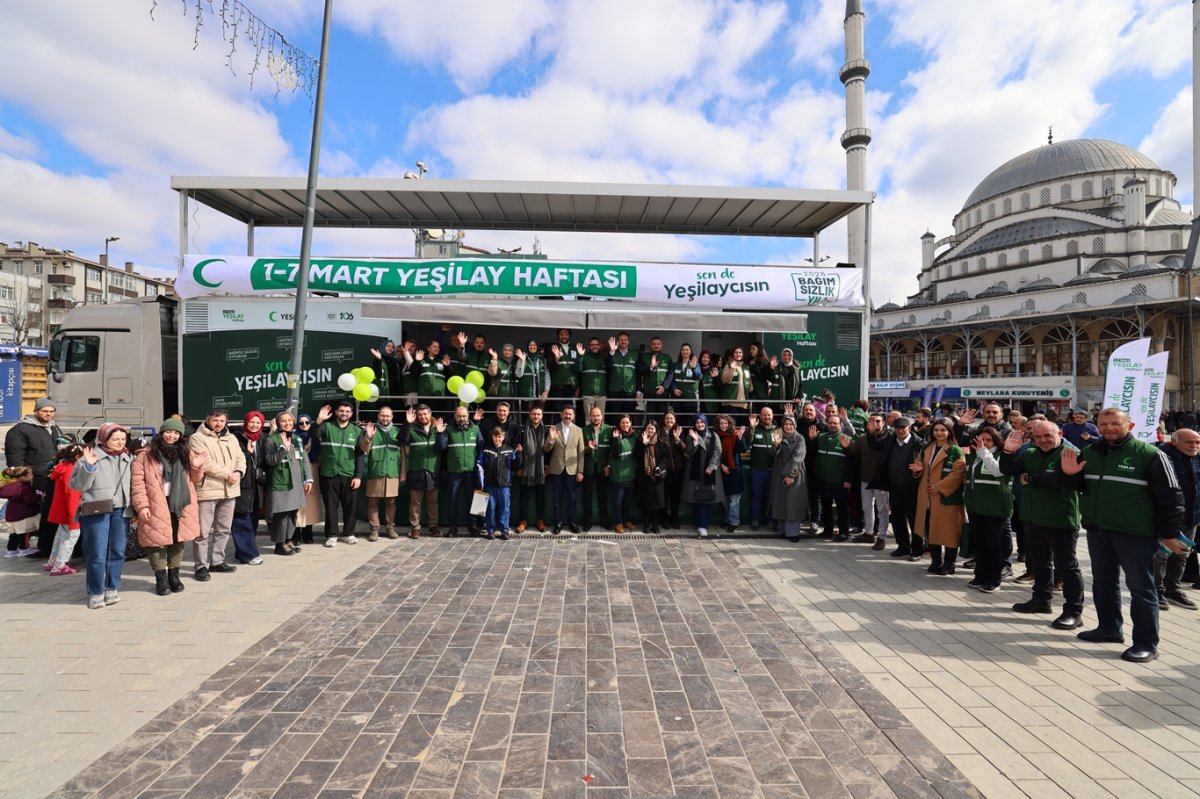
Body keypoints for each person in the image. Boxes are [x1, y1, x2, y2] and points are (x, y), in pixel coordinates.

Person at [1061, 408, 1186, 663]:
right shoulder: (1090, 452)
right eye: (1104, 423)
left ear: (1129, 426)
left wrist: (1169, 533)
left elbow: (1172, 498)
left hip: (1135, 534)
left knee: (1141, 588)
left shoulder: (1150, 454)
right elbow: (1082, 487)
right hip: (1098, 530)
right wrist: (1070, 476)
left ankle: (1146, 642)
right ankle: (1109, 629)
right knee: (1103, 582)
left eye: (1115, 423)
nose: (1109, 428)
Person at [999, 421, 1085, 627]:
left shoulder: (1071, 452)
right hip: (1033, 517)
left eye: (1047, 436)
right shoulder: (1030, 453)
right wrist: (1008, 452)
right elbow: (1008, 469)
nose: (1043, 441)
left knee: (1067, 567)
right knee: (1040, 561)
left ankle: (1074, 610)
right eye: (1038, 437)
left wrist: (1031, 478)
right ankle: (1041, 600)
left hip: (1061, 519)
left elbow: (1061, 480)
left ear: (1060, 433)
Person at [130, 419, 204, 596]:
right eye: (169, 432)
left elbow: (195, 480)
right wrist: (142, 506)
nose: (172, 436)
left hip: (181, 503)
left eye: (176, 433)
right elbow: (137, 483)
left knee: (178, 539)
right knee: (157, 542)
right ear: (162, 433)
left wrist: (197, 466)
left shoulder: (186, 452)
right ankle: (160, 578)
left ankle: (174, 575)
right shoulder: (146, 455)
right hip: (157, 502)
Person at [70, 424, 134, 609]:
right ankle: (96, 592)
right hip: (96, 508)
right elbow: (77, 486)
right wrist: (88, 467)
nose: (120, 442)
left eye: (123, 439)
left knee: (118, 551)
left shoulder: (128, 457)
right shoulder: (91, 457)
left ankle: (112, 588)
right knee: (96, 553)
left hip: (121, 509)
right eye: (115, 439)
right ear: (104, 439)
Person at [189, 409, 246, 581]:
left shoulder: (231, 438)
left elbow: (240, 457)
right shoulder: (197, 438)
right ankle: (200, 566)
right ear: (208, 420)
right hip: (208, 490)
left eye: (222, 420)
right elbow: (206, 464)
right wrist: (228, 475)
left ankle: (217, 561)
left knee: (223, 529)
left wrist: (238, 472)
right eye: (215, 420)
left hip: (230, 490)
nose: (219, 424)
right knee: (202, 532)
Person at [4, 397, 63, 559]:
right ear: (35, 411)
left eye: (51, 411)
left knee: (47, 513)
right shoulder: (20, 430)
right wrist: (21, 479)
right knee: (31, 513)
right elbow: (15, 456)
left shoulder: (54, 427)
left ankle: (44, 544)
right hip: (34, 477)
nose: (48, 414)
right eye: (44, 411)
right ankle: (22, 546)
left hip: (52, 476)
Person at [912, 418, 966, 574]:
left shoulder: (955, 450)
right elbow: (919, 465)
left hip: (945, 497)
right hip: (927, 496)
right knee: (930, 530)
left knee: (949, 532)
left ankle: (950, 563)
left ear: (949, 431)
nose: (939, 433)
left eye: (943, 430)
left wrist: (939, 487)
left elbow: (957, 474)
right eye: (936, 430)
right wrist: (918, 468)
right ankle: (936, 560)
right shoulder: (927, 446)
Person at [963, 426, 1012, 594]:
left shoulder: (1002, 455)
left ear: (996, 440)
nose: (984, 443)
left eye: (988, 440)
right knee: (980, 544)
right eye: (981, 440)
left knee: (993, 545)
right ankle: (980, 575)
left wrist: (984, 451)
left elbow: (998, 472)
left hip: (995, 508)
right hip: (976, 507)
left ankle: (993, 579)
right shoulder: (974, 456)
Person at [868, 416, 924, 560]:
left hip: (911, 487)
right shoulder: (891, 440)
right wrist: (871, 431)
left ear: (909, 428)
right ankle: (903, 547)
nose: (899, 431)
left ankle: (917, 550)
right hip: (894, 486)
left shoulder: (918, 443)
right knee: (898, 518)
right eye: (897, 428)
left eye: (902, 428)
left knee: (913, 519)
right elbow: (874, 444)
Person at [1157, 428, 1200, 610]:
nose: (1194, 446)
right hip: (1167, 516)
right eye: (1189, 442)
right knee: (1160, 554)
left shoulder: (1197, 458)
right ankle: (1156, 590)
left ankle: (1172, 589)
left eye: (1197, 442)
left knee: (1182, 553)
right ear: (1174, 442)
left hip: (1192, 516)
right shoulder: (1160, 457)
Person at [260, 411, 313, 556]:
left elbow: (304, 459)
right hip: (281, 483)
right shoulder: (272, 440)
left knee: (292, 512)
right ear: (278, 423)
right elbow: (271, 461)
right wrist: (283, 447)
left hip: (296, 482)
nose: (287, 423)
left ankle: (288, 540)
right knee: (281, 515)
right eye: (283, 421)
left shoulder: (297, 439)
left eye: (289, 420)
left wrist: (308, 479)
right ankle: (279, 544)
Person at [314, 401, 363, 547]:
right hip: (328, 474)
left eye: (347, 412)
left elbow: (360, 455)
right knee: (331, 506)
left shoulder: (357, 431)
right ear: (336, 412)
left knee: (350, 506)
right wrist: (319, 420)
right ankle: (332, 535)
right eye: (342, 411)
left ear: (351, 414)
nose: (344, 414)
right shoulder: (326, 427)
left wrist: (358, 476)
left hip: (349, 474)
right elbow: (313, 434)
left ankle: (349, 534)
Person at [359, 405, 403, 541]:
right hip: (376, 472)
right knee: (373, 502)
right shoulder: (371, 430)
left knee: (391, 502)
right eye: (383, 415)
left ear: (392, 417)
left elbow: (403, 455)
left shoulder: (397, 431)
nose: (385, 418)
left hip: (392, 472)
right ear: (378, 416)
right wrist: (368, 436)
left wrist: (402, 473)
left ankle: (390, 527)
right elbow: (364, 449)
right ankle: (374, 528)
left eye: (388, 416)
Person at [402, 404, 446, 539]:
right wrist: (408, 424)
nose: (423, 417)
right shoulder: (412, 429)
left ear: (430, 413)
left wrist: (439, 433)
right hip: (416, 471)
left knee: (433, 502)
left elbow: (442, 447)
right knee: (415, 502)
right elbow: (403, 439)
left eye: (425, 414)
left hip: (433, 471)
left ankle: (433, 526)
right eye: (420, 415)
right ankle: (415, 528)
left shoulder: (438, 428)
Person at [847, 413, 889, 550]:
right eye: (871, 420)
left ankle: (882, 537)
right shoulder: (863, 438)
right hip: (865, 478)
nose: (874, 423)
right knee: (867, 507)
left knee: (882, 510)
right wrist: (847, 446)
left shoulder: (888, 438)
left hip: (881, 480)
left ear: (883, 423)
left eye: (877, 421)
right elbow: (854, 453)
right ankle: (869, 533)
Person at [442, 405, 483, 537]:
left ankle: (473, 526)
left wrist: (480, 467)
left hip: (471, 472)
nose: (462, 418)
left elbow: (481, 448)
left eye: (464, 416)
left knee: (474, 499)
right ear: (455, 416)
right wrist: (440, 433)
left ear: (468, 416)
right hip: (454, 472)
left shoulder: (476, 429)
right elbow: (441, 447)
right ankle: (453, 528)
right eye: (459, 416)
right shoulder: (448, 429)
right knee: (452, 500)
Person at [230, 411, 265, 566]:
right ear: (246, 421)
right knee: (241, 518)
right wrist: (247, 453)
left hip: (257, 485)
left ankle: (241, 551)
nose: (255, 425)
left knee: (253, 519)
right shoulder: (236, 438)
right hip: (242, 484)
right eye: (252, 422)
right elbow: (233, 459)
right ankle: (249, 554)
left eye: (258, 423)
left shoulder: (262, 438)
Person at [681, 414, 724, 538]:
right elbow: (688, 453)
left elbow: (718, 451)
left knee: (707, 498)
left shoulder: (713, 435)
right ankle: (699, 524)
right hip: (695, 471)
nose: (700, 425)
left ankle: (703, 525)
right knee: (697, 498)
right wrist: (695, 442)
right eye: (697, 423)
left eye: (702, 422)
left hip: (709, 471)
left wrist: (711, 466)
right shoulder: (691, 435)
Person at [545, 405, 586, 534]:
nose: (568, 416)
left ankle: (572, 523)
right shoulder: (553, 428)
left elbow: (581, 452)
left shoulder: (579, 430)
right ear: (561, 415)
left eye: (570, 414)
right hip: (557, 469)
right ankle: (558, 523)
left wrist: (580, 471)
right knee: (557, 499)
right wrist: (551, 439)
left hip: (572, 470)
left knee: (572, 499)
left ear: (573, 416)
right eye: (566, 414)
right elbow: (546, 449)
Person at [45, 444, 84, 575]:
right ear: (78, 457)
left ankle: (54, 560)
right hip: (70, 512)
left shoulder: (63, 467)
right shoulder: (72, 471)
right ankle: (60, 564)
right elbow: (72, 495)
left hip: (61, 510)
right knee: (71, 536)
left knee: (61, 535)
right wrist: (73, 517)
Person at [770, 416, 809, 541]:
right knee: (781, 502)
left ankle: (793, 533)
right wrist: (776, 445)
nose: (788, 426)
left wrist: (790, 474)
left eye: (791, 424)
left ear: (795, 425)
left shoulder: (800, 438)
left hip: (795, 474)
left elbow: (798, 456)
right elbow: (772, 454)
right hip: (779, 473)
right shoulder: (778, 436)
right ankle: (783, 531)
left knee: (793, 503)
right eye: (786, 424)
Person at [816, 414, 854, 542]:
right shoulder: (821, 438)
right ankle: (827, 530)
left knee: (842, 508)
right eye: (830, 423)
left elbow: (851, 462)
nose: (832, 425)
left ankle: (844, 533)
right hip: (824, 479)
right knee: (826, 507)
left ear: (841, 425)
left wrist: (848, 480)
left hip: (840, 481)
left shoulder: (847, 439)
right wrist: (811, 439)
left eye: (835, 423)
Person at [477, 426, 519, 540]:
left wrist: (518, 454)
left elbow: (515, 466)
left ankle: (504, 530)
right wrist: (480, 483)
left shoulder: (509, 450)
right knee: (490, 508)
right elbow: (480, 466)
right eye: (495, 436)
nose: (497, 439)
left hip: (504, 485)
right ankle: (491, 530)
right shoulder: (486, 450)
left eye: (500, 436)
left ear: (503, 437)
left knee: (504, 508)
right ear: (492, 437)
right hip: (489, 485)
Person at [513, 404, 550, 533]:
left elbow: (549, 450)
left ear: (542, 415)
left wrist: (547, 465)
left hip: (540, 471)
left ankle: (540, 520)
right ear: (529, 414)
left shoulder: (546, 430)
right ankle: (523, 521)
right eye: (534, 414)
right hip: (526, 470)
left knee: (541, 497)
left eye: (538, 414)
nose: (536, 416)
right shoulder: (522, 429)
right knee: (524, 497)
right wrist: (519, 467)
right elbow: (517, 448)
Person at [633, 419, 670, 533]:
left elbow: (665, 457)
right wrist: (643, 444)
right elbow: (636, 456)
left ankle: (655, 525)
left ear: (656, 430)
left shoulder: (661, 441)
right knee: (646, 503)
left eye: (652, 428)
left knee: (657, 503)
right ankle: (646, 525)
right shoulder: (640, 440)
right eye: (648, 428)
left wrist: (660, 467)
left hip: (657, 476)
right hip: (644, 476)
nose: (650, 430)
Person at [714, 414, 749, 533]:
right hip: (721, 470)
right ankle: (727, 519)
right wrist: (722, 466)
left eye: (726, 423)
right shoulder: (716, 436)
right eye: (721, 423)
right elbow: (714, 454)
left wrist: (740, 438)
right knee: (724, 499)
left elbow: (743, 449)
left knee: (734, 499)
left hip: (735, 471)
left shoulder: (735, 435)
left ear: (729, 424)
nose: (724, 425)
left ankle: (734, 522)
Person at [292, 412, 323, 546]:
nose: (304, 425)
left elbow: (317, 455)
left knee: (309, 504)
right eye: (301, 423)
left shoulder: (314, 437)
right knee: (296, 502)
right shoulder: (293, 438)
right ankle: (295, 534)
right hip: (296, 470)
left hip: (311, 469)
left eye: (307, 422)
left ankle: (307, 533)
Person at [581, 406, 612, 532]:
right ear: (590, 417)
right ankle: (587, 522)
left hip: (603, 468)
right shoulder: (583, 430)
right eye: (593, 415)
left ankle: (604, 521)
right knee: (587, 496)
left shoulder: (609, 429)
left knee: (602, 496)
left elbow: (612, 450)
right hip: (589, 468)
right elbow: (580, 451)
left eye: (598, 415)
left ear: (602, 416)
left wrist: (609, 465)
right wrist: (588, 448)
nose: (596, 418)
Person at [747, 407, 776, 531]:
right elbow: (748, 443)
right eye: (764, 415)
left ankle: (771, 520)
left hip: (772, 470)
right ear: (760, 416)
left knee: (771, 496)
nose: (767, 417)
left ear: (772, 416)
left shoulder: (778, 430)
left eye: (769, 415)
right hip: (757, 469)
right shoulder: (755, 428)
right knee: (756, 495)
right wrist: (752, 428)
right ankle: (755, 520)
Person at [1, 466, 42, 557]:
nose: (32, 476)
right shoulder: (26, 487)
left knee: (14, 533)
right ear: (24, 477)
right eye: (31, 474)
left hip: (11, 514)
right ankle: (24, 549)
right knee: (24, 533)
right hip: (23, 515)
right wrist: (39, 495)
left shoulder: (10, 486)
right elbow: (29, 500)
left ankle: (11, 550)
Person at [608, 414, 638, 533]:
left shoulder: (635, 436)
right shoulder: (615, 435)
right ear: (619, 424)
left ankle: (626, 521)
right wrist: (616, 440)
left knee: (628, 501)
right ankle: (618, 522)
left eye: (627, 422)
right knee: (618, 501)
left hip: (630, 473)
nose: (625, 425)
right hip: (618, 474)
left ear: (631, 423)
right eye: (623, 423)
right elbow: (615, 454)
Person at [659, 411, 688, 530]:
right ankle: (664, 519)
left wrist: (677, 439)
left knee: (675, 497)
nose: (669, 421)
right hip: (665, 469)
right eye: (667, 418)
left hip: (678, 469)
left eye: (671, 419)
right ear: (664, 419)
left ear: (675, 419)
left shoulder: (679, 432)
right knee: (664, 496)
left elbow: (685, 450)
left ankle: (675, 519)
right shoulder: (659, 431)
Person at [636, 337, 672, 422]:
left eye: (658, 344)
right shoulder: (644, 357)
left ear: (661, 345)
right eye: (654, 344)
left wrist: (664, 387)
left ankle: (661, 435)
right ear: (650, 345)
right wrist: (651, 367)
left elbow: (671, 373)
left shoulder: (667, 358)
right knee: (650, 419)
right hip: (649, 393)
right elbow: (640, 372)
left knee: (662, 419)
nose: (656, 346)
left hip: (663, 394)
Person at [606, 333, 638, 425]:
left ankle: (629, 437)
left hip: (630, 391)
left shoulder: (635, 355)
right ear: (618, 341)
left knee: (629, 416)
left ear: (628, 341)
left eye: (625, 340)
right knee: (615, 416)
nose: (623, 341)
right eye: (621, 340)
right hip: (615, 391)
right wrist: (611, 352)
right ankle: (615, 436)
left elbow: (638, 374)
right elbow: (607, 366)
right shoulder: (612, 354)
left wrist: (639, 390)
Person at [548, 329, 583, 413]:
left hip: (571, 386)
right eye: (561, 334)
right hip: (557, 386)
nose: (564, 336)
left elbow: (579, 369)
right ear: (558, 336)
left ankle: (569, 427)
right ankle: (558, 427)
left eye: (566, 334)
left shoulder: (575, 347)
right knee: (558, 411)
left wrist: (578, 387)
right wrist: (556, 358)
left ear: (569, 336)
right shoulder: (553, 348)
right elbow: (549, 367)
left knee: (570, 411)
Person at [718, 345, 752, 427]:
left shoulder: (746, 367)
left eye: (740, 353)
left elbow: (750, 384)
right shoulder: (728, 365)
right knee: (732, 427)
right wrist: (732, 369)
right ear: (732, 354)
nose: (738, 354)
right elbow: (725, 380)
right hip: (731, 403)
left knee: (742, 428)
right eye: (736, 352)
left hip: (743, 404)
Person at [668, 344, 701, 426]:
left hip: (690, 398)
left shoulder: (695, 364)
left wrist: (693, 368)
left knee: (689, 422)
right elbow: (672, 379)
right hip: (677, 399)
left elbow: (699, 377)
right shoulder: (675, 365)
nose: (685, 351)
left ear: (690, 352)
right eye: (683, 350)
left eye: (687, 350)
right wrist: (674, 389)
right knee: (678, 422)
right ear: (681, 352)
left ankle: (689, 438)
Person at [579, 337, 609, 419]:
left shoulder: (604, 358)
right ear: (589, 346)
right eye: (592, 345)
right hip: (588, 393)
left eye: (596, 344)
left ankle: (601, 432)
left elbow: (610, 368)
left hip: (601, 393)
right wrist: (580, 356)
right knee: (589, 418)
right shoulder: (584, 357)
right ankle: (589, 432)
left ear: (599, 346)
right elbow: (578, 369)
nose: (595, 346)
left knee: (601, 418)